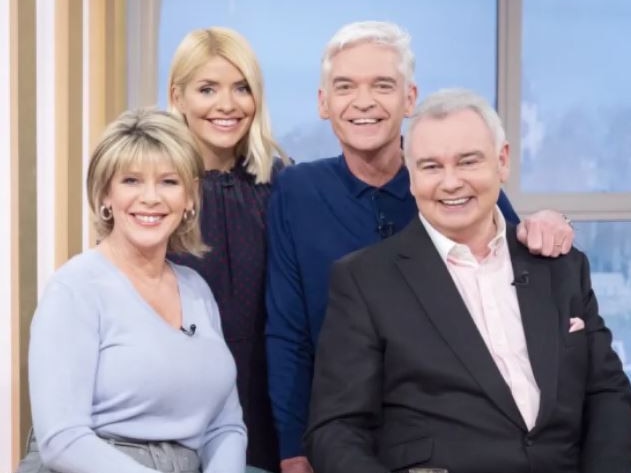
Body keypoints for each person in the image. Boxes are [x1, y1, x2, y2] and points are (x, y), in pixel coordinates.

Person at [266, 21, 575, 473]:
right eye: (346, 86)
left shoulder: (446, 186)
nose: (364, 101)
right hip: (342, 427)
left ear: (409, 98)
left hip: (451, 429)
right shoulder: (296, 191)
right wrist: (293, 448)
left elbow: (513, 259)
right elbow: (287, 331)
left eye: (383, 85)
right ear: (323, 103)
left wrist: (553, 222)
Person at [305, 88, 631, 473]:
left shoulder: (560, 265)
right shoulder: (364, 279)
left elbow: (608, 393)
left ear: (502, 161)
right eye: (430, 166)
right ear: (410, 176)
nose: (450, 182)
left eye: (468, 162)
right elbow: (336, 430)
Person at [24, 109, 246, 473]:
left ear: (189, 198)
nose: (150, 198)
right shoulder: (75, 289)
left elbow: (225, 426)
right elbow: (62, 440)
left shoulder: (196, 290)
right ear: (105, 196)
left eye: (169, 182)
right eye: (131, 181)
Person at [167, 27, 289, 473]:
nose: (227, 105)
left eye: (242, 88)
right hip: (178, 406)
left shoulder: (282, 183)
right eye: (207, 89)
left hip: (266, 397)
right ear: (177, 96)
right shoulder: (153, 192)